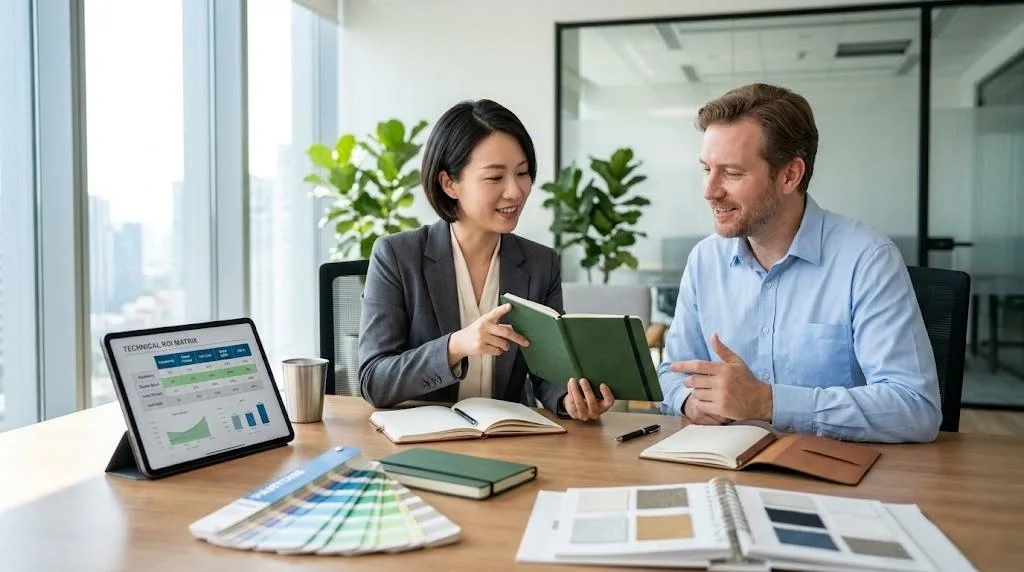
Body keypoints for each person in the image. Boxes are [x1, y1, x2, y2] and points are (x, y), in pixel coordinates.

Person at [658, 83, 942, 443]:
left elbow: (915, 408)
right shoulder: (705, 260)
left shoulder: (866, 260)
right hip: (722, 464)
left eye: (731, 173)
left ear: (790, 175)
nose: (709, 190)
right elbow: (672, 371)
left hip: (837, 477)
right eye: (706, 169)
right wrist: (688, 402)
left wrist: (769, 402)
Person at [358, 99, 615, 421]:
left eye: (522, 173)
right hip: (422, 440)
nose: (516, 191)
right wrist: (455, 346)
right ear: (449, 183)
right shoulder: (397, 256)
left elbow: (546, 373)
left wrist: (569, 399)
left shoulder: (540, 264)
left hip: (507, 438)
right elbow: (374, 381)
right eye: (495, 178)